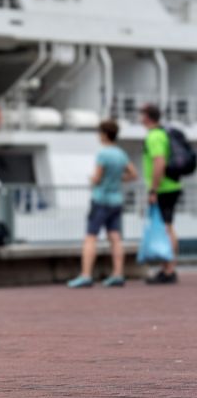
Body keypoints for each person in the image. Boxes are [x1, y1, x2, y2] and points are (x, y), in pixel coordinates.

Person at [70, 118, 135, 287]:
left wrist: (93, 180)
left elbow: (97, 177)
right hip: (116, 200)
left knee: (91, 237)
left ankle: (85, 275)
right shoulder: (121, 153)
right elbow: (133, 174)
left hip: (101, 199)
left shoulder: (103, 153)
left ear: (105, 134)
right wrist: (119, 178)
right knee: (115, 237)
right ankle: (118, 273)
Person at [139, 103, 182, 284]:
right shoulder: (161, 133)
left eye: (142, 115)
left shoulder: (154, 136)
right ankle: (168, 267)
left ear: (148, 117)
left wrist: (153, 189)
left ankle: (169, 269)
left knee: (167, 227)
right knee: (168, 226)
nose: (140, 119)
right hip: (170, 185)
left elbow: (159, 162)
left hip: (164, 187)